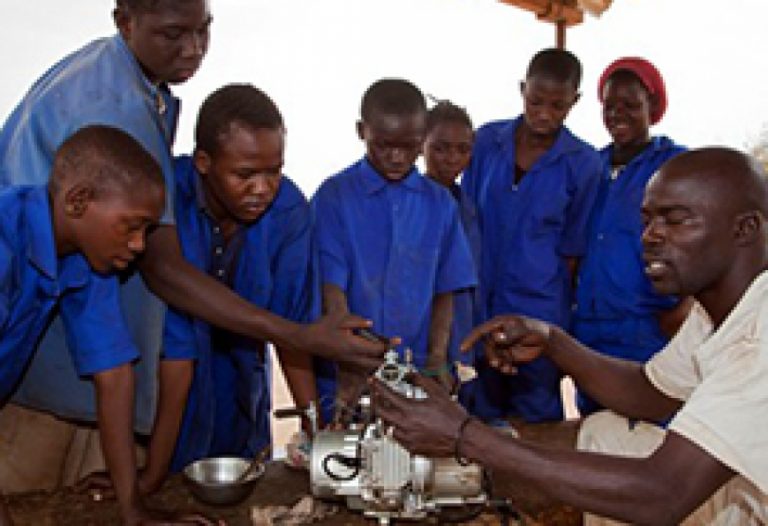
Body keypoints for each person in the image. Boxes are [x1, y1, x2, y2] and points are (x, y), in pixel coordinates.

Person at [0, 0, 388, 502]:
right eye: (174, 34)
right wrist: (302, 335)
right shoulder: (114, 112)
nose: (194, 49)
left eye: (204, 30)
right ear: (125, 21)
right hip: (48, 396)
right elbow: (163, 272)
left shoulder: (89, 261)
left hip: (157, 404)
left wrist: (136, 501)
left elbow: (119, 367)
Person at [372, 147, 768, 524]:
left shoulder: (760, 337)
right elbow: (649, 391)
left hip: (675, 495)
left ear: (745, 229)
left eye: (675, 219)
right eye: (647, 219)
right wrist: (553, 342)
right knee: (605, 432)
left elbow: (663, 494)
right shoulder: (717, 309)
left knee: (658, 483)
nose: (649, 235)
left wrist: (465, 436)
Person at [0, 125, 202, 525]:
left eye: (147, 230)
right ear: (78, 201)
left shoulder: (86, 261)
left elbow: (114, 378)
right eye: (131, 225)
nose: (140, 245)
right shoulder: (5, 237)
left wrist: (133, 510)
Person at [160, 84, 319, 474]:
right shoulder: (163, 196)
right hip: (162, 397)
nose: (262, 188)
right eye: (244, 174)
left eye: (274, 171)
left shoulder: (287, 210)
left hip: (240, 394)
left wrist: (314, 427)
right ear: (203, 162)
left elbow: (291, 327)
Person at [312, 78, 477, 422]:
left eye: (409, 145)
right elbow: (332, 288)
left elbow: (445, 290)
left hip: (414, 365)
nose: (396, 157)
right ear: (362, 131)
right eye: (384, 145)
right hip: (349, 366)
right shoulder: (335, 196)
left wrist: (435, 360)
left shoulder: (440, 204)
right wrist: (348, 358)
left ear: (423, 137)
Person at [461, 48, 602, 423]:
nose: (544, 113)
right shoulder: (486, 142)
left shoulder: (584, 164)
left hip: (540, 316)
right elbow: (467, 219)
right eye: (535, 101)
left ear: (575, 101)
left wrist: (548, 322)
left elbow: (574, 252)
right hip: (478, 309)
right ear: (522, 89)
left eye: (558, 105)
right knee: (474, 419)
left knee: (537, 423)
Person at [572, 57, 689, 416]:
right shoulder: (589, 165)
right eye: (610, 106)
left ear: (652, 107)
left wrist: (684, 310)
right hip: (590, 331)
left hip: (649, 330)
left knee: (651, 435)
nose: (617, 114)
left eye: (630, 105)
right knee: (596, 434)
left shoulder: (675, 165)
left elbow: (704, 240)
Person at [422, 99, 482, 398]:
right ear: (421, 143)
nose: (451, 159)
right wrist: (435, 356)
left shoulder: (467, 206)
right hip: (426, 347)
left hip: (463, 339)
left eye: (463, 150)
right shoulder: (416, 204)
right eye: (440, 148)